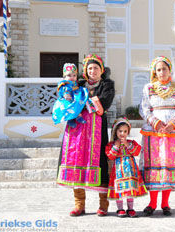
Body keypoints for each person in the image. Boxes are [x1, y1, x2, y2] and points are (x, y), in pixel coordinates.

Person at [56, 54, 115, 217]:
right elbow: (65, 95)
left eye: (96, 68)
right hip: (77, 132)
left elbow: (104, 103)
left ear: (101, 70)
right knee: (76, 161)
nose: (93, 71)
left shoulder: (107, 85)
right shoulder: (78, 84)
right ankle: (79, 204)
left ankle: (103, 205)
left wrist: (81, 103)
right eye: (89, 68)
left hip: (96, 132)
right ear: (85, 71)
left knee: (100, 164)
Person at [139, 56, 175, 216]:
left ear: (169, 70)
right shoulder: (148, 88)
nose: (162, 72)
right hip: (154, 131)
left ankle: (165, 203)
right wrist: (155, 122)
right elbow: (144, 108)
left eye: (164, 68)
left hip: (173, 132)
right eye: (158, 69)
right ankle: (152, 203)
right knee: (154, 167)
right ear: (154, 72)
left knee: (169, 166)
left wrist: (173, 123)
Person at [105, 117, 147, 218]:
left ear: (128, 132)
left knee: (130, 189)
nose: (122, 133)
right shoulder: (111, 145)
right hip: (118, 171)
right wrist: (116, 146)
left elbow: (136, 152)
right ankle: (120, 208)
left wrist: (127, 144)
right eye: (120, 131)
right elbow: (110, 156)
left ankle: (130, 208)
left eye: (125, 131)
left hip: (130, 171)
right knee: (120, 190)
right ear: (115, 132)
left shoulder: (131, 143)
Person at [52, 63, 89, 128]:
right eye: (69, 75)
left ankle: (78, 116)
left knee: (78, 104)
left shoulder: (75, 83)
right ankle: (70, 120)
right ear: (64, 77)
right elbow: (63, 89)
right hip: (68, 98)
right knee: (70, 108)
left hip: (75, 96)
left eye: (74, 75)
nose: (72, 77)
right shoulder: (64, 83)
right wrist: (66, 94)